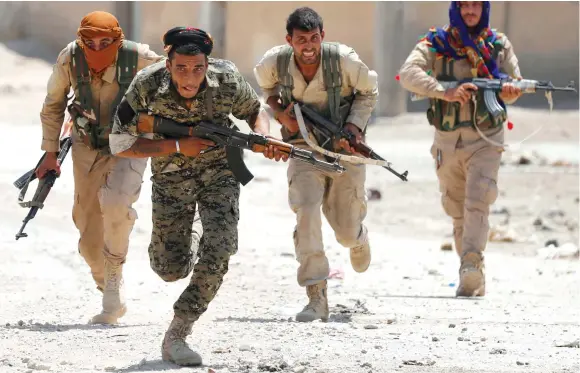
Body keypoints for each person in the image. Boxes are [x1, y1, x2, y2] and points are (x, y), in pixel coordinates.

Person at [109, 26, 286, 366]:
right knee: (169, 269)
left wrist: (263, 136)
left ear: (207, 63)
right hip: (171, 178)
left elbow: (254, 110)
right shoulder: (146, 84)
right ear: (168, 63)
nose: (190, 77)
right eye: (181, 68)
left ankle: (178, 331)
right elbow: (120, 143)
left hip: (221, 172)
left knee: (220, 248)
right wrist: (177, 144)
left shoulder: (228, 78)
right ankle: (190, 240)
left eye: (198, 68)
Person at [37, 11, 164, 324]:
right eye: (89, 42)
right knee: (88, 230)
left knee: (118, 204)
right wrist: (50, 152)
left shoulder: (137, 57)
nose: (96, 48)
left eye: (105, 42)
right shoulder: (70, 58)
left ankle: (112, 280)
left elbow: (178, 79)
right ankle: (109, 280)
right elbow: (53, 104)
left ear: (117, 40)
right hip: (87, 146)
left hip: (130, 144)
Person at [253, 7, 379, 322]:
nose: (308, 46)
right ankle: (316, 295)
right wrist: (280, 114)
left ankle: (359, 237)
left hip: (342, 151)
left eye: (313, 38)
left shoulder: (344, 61)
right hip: (302, 148)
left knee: (345, 232)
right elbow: (266, 91)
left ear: (322, 36)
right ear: (289, 40)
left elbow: (368, 92)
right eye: (300, 40)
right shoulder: (274, 63)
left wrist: (353, 128)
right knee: (306, 211)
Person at [398, 1, 522, 297]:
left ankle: (471, 264)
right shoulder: (436, 43)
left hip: (487, 138)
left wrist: (510, 90)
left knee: (479, 197)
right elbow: (408, 73)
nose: (470, 11)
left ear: (484, 8)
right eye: (464, 5)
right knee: (456, 209)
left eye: (475, 5)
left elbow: (516, 83)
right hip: (448, 139)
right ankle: (472, 273)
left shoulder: (498, 44)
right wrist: (445, 91)